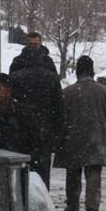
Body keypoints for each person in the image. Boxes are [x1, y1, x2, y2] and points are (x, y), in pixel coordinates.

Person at [56, 55, 106, 211]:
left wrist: (57, 140)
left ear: (78, 72)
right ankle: (92, 207)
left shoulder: (67, 93)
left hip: (73, 141)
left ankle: (72, 207)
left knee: (73, 175)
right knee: (94, 174)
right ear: (92, 71)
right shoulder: (105, 92)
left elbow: (59, 119)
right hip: (97, 141)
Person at [8, 31, 64, 194]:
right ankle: (40, 203)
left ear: (40, 43)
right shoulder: (47, 69)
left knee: (21, 170)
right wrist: (56, 133)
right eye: (31, 44)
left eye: (36, 44)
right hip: (42, 131)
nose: (33, 46)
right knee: (41, 173)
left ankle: (23, 204)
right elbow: (58, 104)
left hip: (23, 130)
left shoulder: (19, 68)